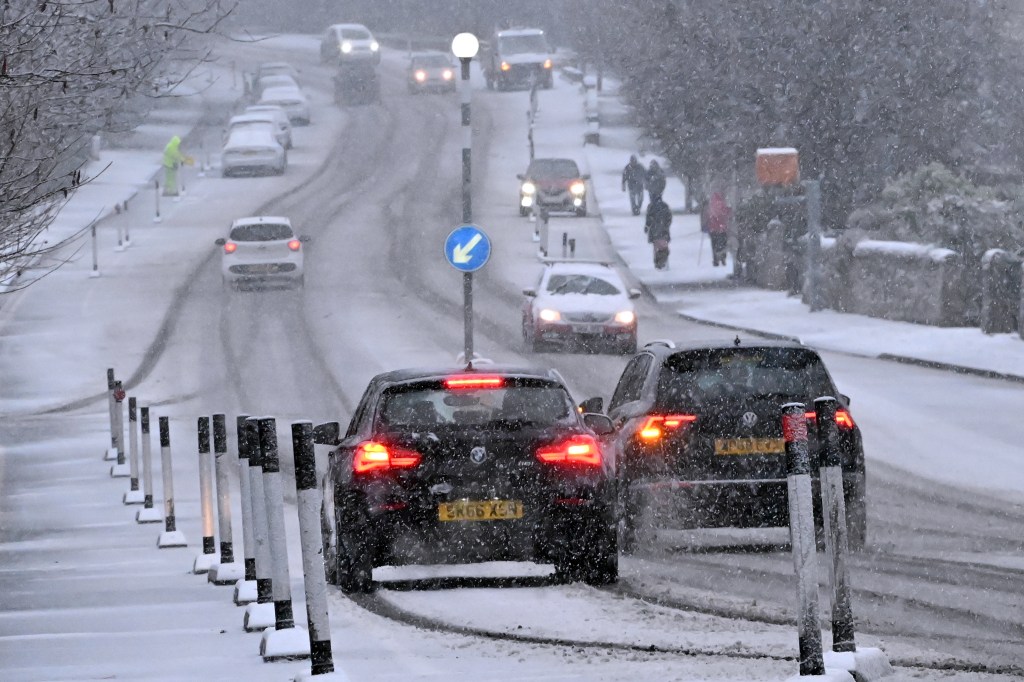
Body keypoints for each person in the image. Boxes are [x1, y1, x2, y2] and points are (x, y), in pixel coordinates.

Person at [644, 192, 672, 270]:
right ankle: (663, 261)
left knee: (656, 247)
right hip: (664, 231)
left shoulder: (651, 206)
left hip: (654, 231)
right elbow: (669, 217)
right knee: (664, 246)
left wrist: (647, 226)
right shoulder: (665, 206)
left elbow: (648, 218)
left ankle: (657, 262)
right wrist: (666, 225)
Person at [704, 191, 732, 267]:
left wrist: (707, 224)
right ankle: (723, 258)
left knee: (714, 245)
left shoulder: (711, 205)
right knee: (723, 244)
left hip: (713, 229)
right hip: (722, 229)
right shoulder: (722, 204)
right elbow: (726, 213)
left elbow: (708, 216)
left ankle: (715, 260)